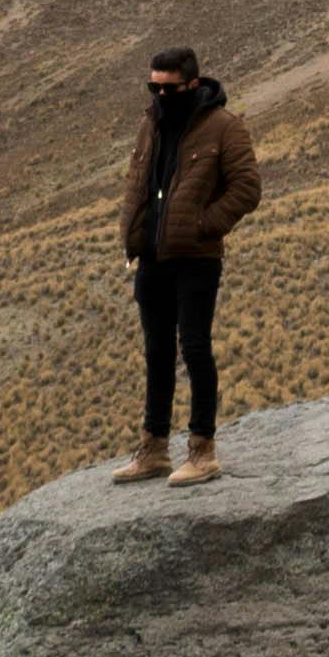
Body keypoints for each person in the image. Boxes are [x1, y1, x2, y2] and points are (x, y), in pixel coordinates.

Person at [116, 46, 261, 484]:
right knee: (156, 352)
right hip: (152, 255)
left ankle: (202, 450)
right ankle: (154, 448)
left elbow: (247, 188)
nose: (160, 95)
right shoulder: (151, 123)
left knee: (194, 349)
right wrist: (134, 231)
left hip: (196, 259)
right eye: (153, 87)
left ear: (193, 85)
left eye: (169, 88)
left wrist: (203, 226)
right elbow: (139, 181)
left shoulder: (223, 127)